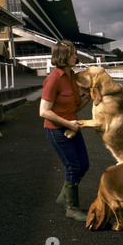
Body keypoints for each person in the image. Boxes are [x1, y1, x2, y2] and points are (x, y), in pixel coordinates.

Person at [39, 40, 92, 222]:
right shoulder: (54, 79)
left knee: (83, 165)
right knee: (73, 167)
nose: (75, 56)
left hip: (71, 126)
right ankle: (72, 208)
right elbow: (44, 111)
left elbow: (74, 106)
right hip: (56, 129)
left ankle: (64, 196)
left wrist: (89, 97)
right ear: (62, 57)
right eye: (72, 54)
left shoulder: (71, 76)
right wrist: (68, 124)